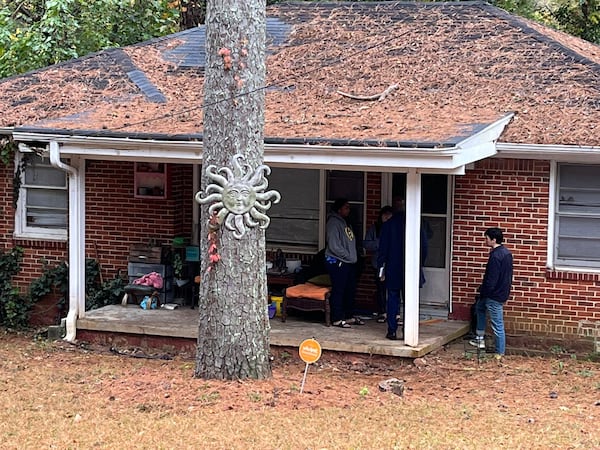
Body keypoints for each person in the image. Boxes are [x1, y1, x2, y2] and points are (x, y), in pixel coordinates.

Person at [377, 208, 428, 340]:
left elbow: (382, 250)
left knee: (392, 300)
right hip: (411, 268)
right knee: (410, 301)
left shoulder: (388, 225)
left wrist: (381, 268)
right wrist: (419, 263)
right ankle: (408, 330)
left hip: (393, 269)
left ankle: (392, 330)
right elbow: (424, 247)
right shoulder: (415, 224)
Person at [469, 227, 513, 359]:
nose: (485, 240)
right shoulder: (507, 253)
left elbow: (491, 278)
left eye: (486, 238)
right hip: (500, 292)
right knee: (479, 308)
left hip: (493, 294)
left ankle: (500, 352)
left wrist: (484, 291)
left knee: (497, 324)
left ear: (493, 240)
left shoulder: (495, 256)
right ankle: (479, 338)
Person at [325, 198, 363, 328]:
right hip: (338, 262)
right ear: (339, 209)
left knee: (350, 289)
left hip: (348, 262)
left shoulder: (346, 223)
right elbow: (334, 245)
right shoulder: (333, 223)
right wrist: (347, 257)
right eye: (346, 207)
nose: (349, 210)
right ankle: (337, 318)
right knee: (339, 290)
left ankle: (348, 316)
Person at [363, 205, 394, 322]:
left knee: (393, 289)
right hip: (378, 264)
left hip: (392, 264)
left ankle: (394, 313)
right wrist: (379, 244)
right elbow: (366, 244)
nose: (386, 217)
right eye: (384, 215)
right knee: (381, 289)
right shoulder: (375, 228)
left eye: (389, 215)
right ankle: (383, 312)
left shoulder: (395, 228)